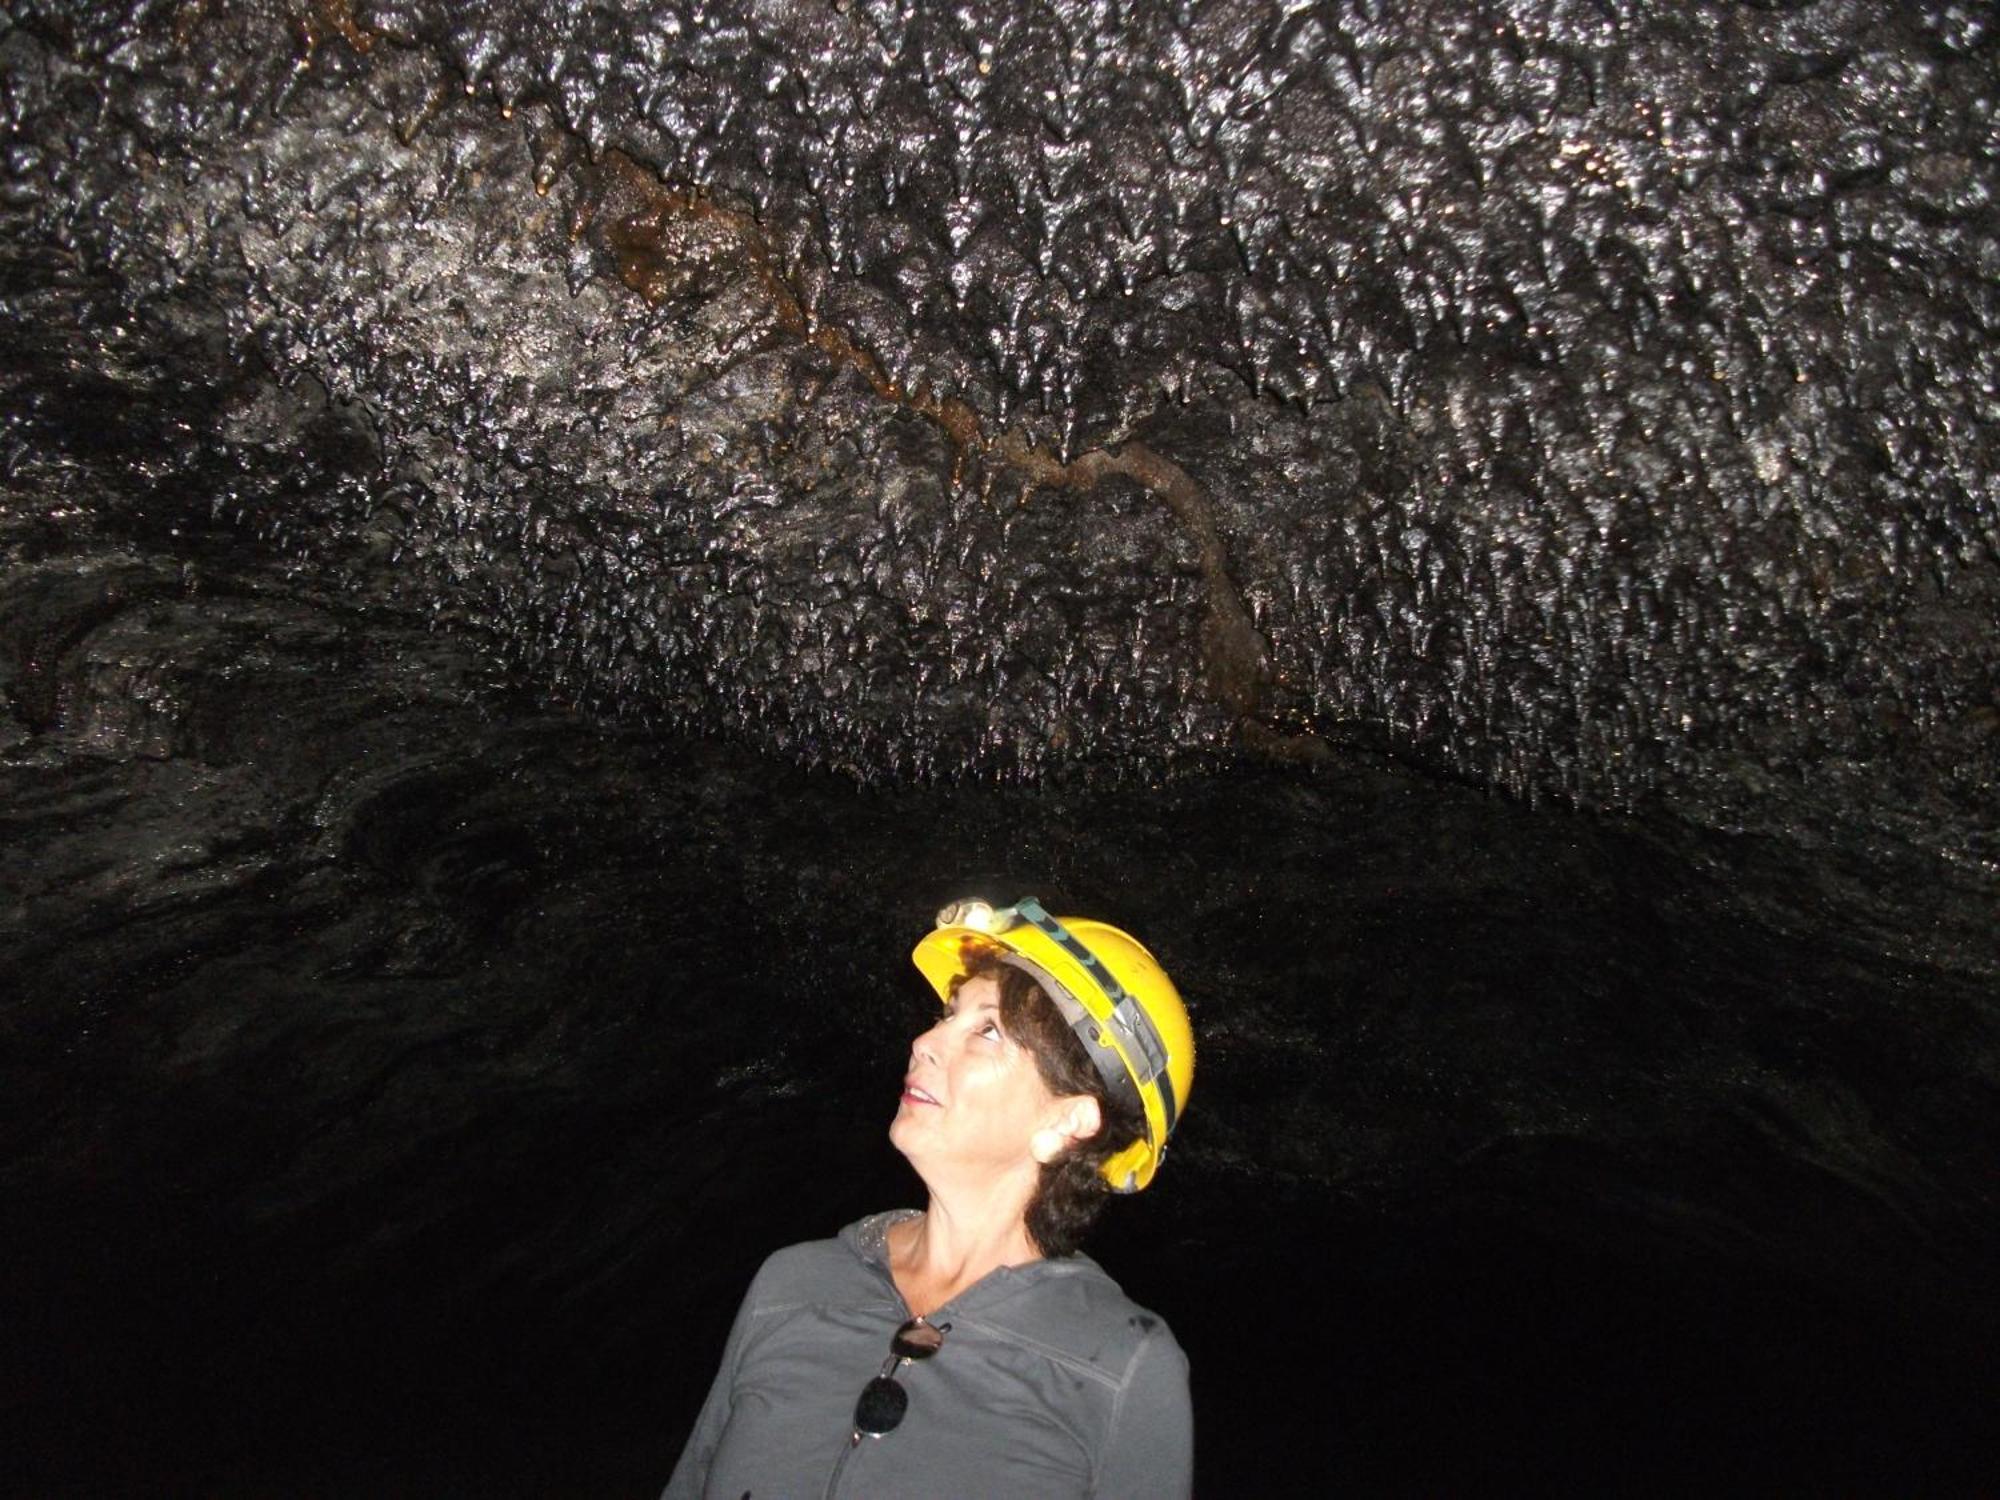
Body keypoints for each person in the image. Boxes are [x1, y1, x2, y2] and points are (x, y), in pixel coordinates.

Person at [662, 896, 1197, 1499]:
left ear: (1068, 1122)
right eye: (946, 1014)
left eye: (987, 1030)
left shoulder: (1122, 1365)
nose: (924, 1040)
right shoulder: (792, 1284)